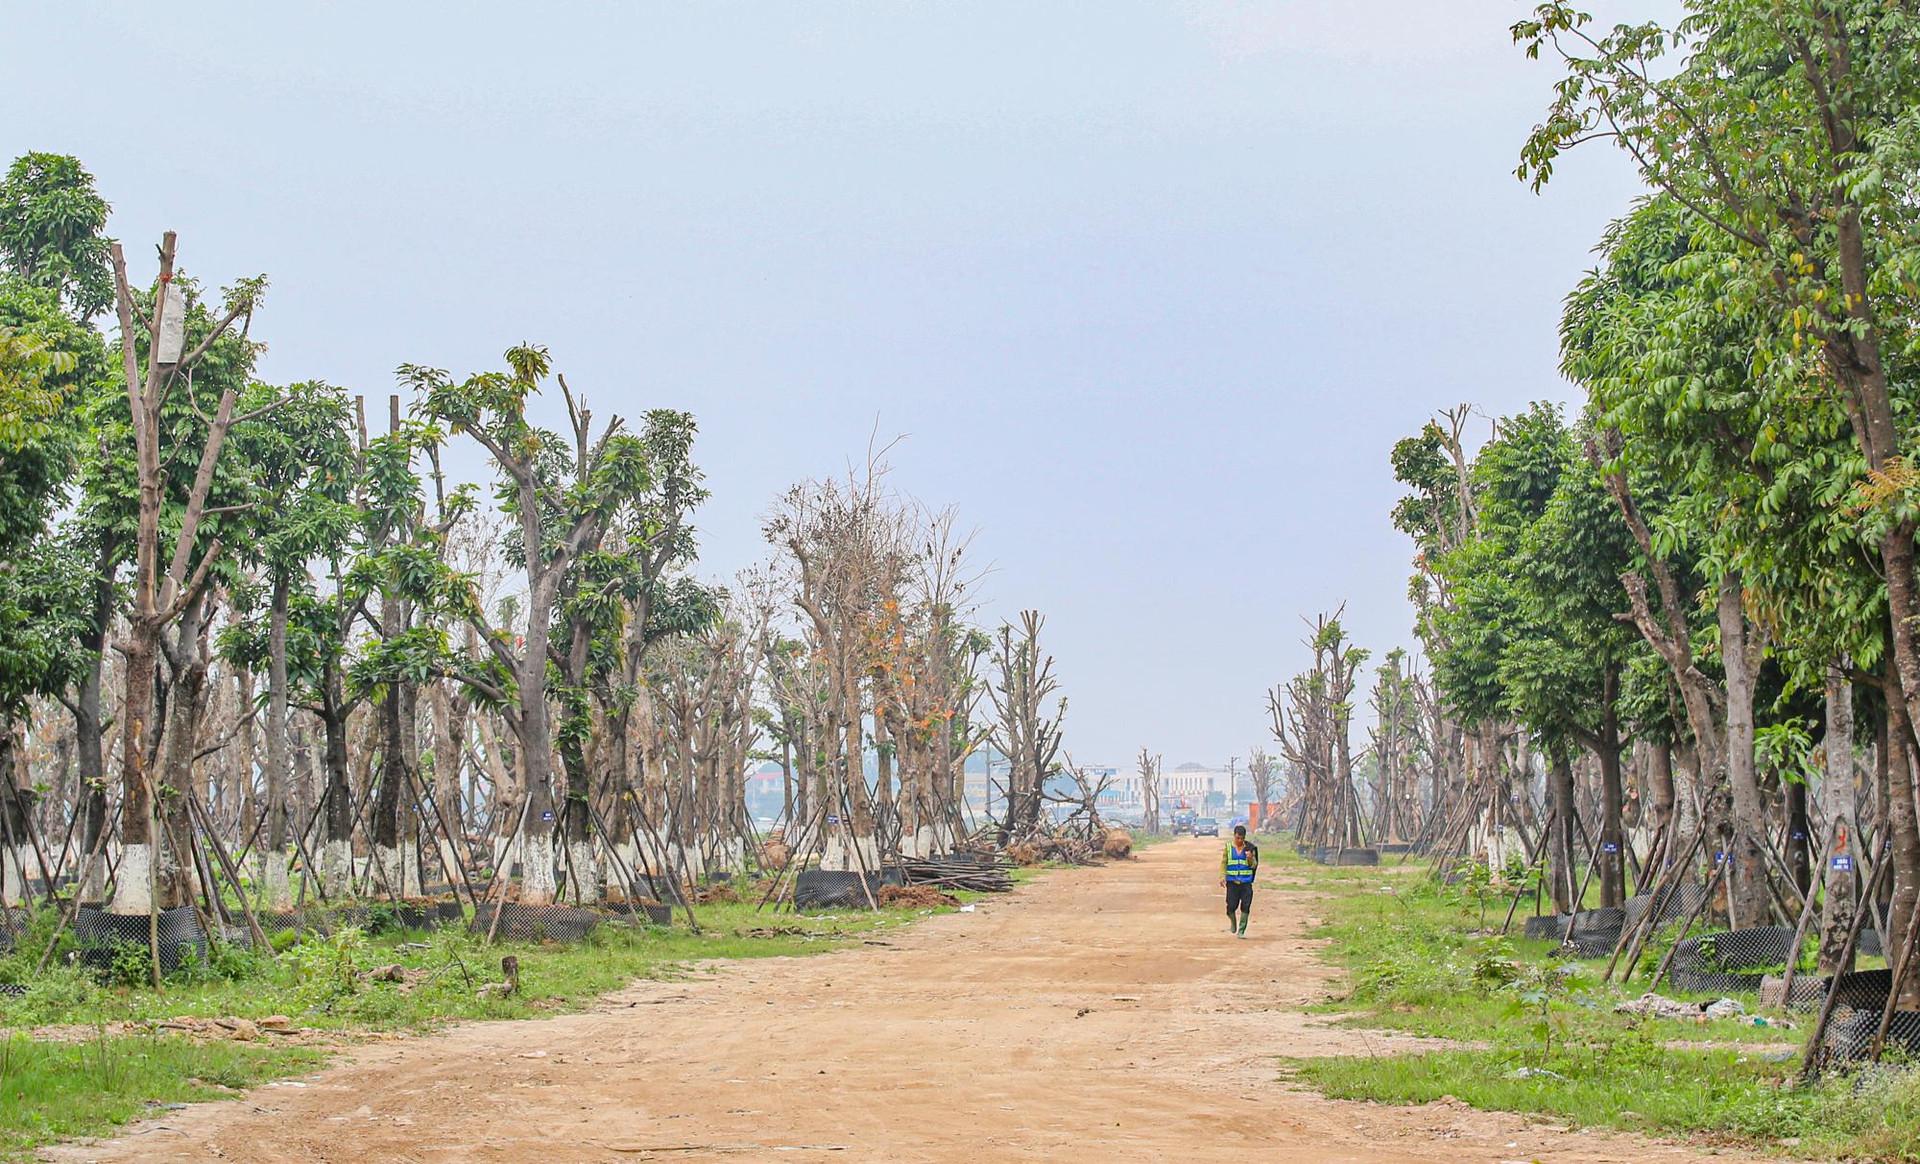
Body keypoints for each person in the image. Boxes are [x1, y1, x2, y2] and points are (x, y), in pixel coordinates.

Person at [1220, 824, 1258, 937]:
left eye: (1242, 838)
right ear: (1234, 836)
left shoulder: (1250, 849)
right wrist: (1222, 876)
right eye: (1237, 838)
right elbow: (1223, 863)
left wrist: (1250, 858)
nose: (1239, 840)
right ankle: (1233, 922)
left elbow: (1254, 865)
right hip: (1232, 882)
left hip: (1246, 883)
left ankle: (1241, 930)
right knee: (1231, 906)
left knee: (1246, 906)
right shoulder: (1228, 848)